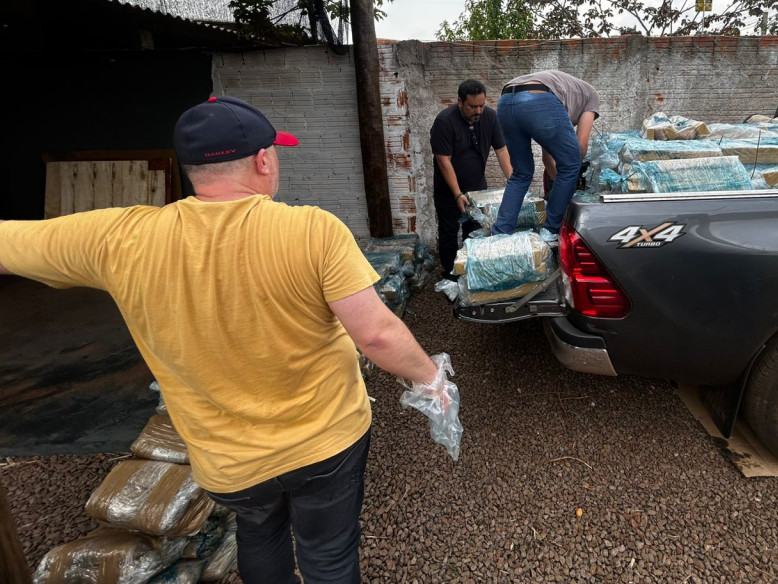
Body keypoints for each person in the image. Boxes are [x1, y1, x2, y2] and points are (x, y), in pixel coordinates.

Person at [0, 96, 455, 584]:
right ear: (263, 160)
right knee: (329, 551)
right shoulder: (312, 230)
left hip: (228, 463)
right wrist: (433, 381)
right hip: (325, 444)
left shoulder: (120, 236)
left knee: (259, 536)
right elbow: (378, 334)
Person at [492, 70, 599, 242]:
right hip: (539, 97)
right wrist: (569, 182)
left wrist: (559, 183)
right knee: (572, 163)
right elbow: (581, 147)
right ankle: (550, 231)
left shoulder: (564, 93)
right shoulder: (591, 97)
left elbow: (546, 156)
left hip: (505, 101)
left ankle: (500, 233)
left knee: (521, 173)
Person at [430, 79, 512, 278]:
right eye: (473, 106)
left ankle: (472, 273)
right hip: (449, 192)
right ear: (460, 102)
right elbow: (443, 161)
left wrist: (513, 182)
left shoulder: (491, 117)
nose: (478, 111)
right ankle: (451, 275)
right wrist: (457, 193)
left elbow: (501, 151)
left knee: (475, 232)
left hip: (478, 190)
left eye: (481, 106)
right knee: (449, 233)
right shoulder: (444, 122)